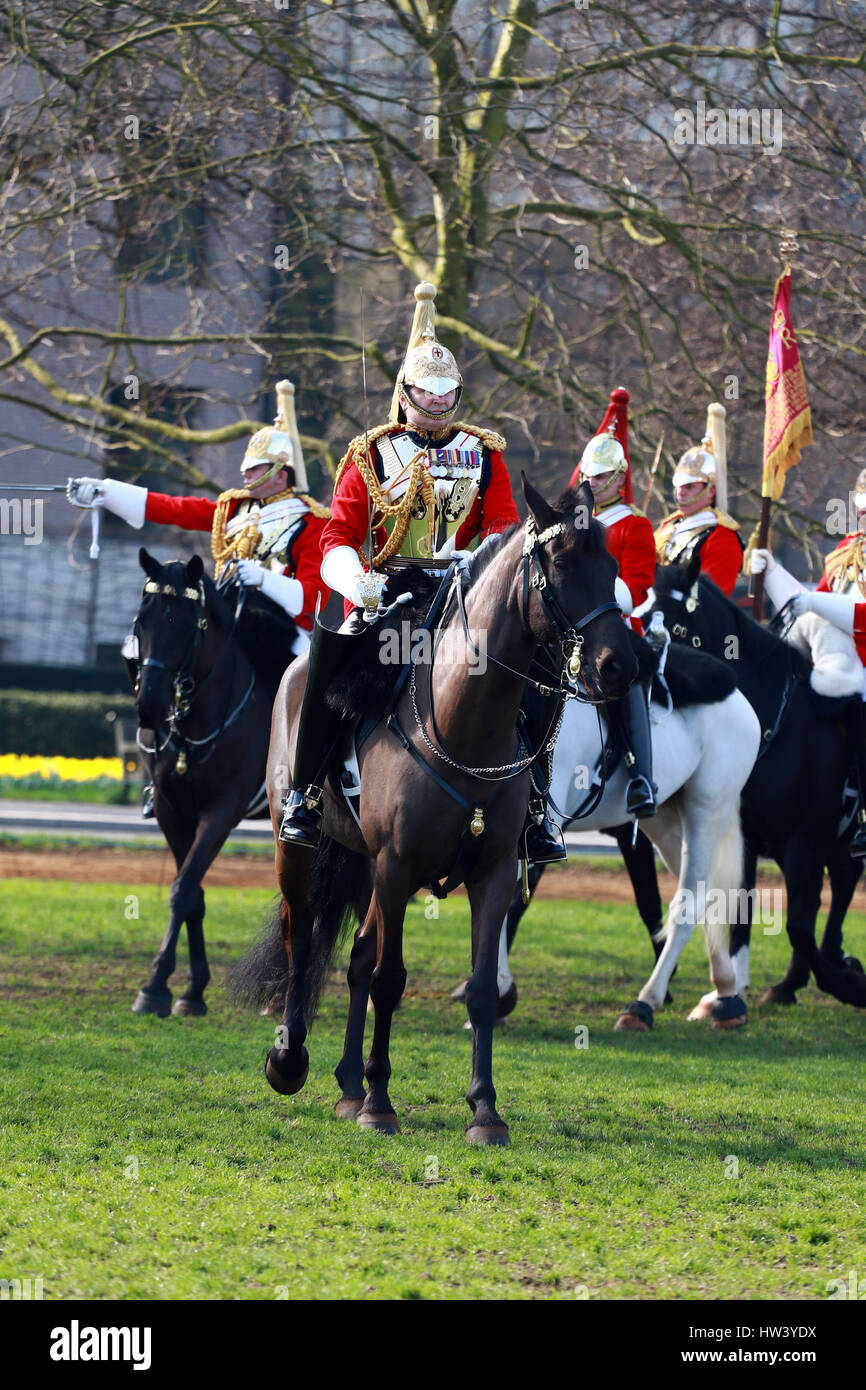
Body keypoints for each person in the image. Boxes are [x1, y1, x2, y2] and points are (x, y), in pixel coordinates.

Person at [278, 281, 566, 862]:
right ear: (403, 394)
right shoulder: (370, 452)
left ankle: (537, 807)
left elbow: (505, 527)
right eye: (424, 393)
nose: (436, 403)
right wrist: (352, 578)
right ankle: (306, 796)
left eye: (446, 393)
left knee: (539, 664)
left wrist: (479, 560)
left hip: (465, 592)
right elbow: (338, 533)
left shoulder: (485, 452)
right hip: (390, 593)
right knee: (326, 659)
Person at [66, 380, 329, 652]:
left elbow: (312, 598)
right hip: (228, 615)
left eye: (254, 469)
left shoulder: (313, 522)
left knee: (302, 674)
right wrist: (106, 492)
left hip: (282, 627)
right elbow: (174, 509)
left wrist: (264, 579)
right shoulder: (233, 509)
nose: (244, 474)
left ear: (281, 475)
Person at [750, 467, 866, 857]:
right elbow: (811, 605)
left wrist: (814, 603)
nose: (863, 516)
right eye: (861, 509)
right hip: (837, 663)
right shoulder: (844, 552)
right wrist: (771, 573)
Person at [569, 388, 657, 816]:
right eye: (588, 475)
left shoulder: (634, 526)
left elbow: (638, 585)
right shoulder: (574, 519)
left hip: (615, 621)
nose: (591, 483)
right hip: (570, 621)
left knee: (625, 671)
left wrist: (602, 599)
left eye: (601, 477)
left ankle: (641, 774)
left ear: (620, 478)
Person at [654, 407, 743, 595]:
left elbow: (711, 596)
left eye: (689, 487)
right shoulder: (669, 525)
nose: (681, 493)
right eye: (679, 486)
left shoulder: (721, 536)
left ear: (710, 490)